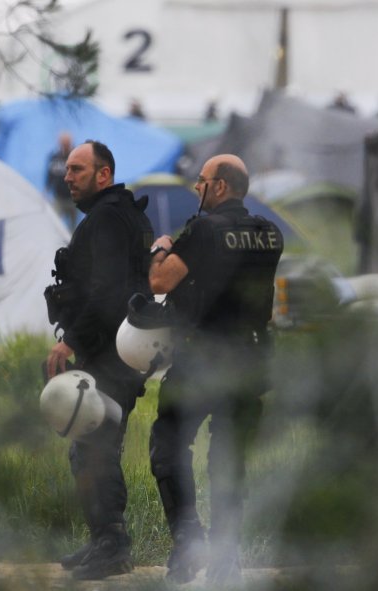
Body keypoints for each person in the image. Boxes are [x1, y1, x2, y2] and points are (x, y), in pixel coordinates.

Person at [146, 154, 283, 585]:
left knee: (168, 445)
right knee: (229, 461)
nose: (198, 190)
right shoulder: (269, 234)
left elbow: (161, 281)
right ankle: (226, 560)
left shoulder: (206, 229)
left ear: (220, 187)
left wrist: (161, 248)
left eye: (201, 182)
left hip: (202, 359)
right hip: (250, 361)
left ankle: (188, 543)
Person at [44, 140, 153, 580]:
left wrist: (69, 341)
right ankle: (101, 540)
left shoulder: (108, 217)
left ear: (103, 174)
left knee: (97, 447)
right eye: (67, 170)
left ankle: (112, 545)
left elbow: (108, 291)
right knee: (87, 447)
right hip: (118, 351)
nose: (67, 177)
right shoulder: (123, 213)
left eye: (77, 170)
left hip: (109, 356)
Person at [45, 131, 77, 229]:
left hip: (74, 198)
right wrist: (46, 189)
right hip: (58, 197)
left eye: (66, 143)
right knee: (55, 225)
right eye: (63, 143)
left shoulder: (77, 157)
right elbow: (50, 174)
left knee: (73, 227)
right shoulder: (54, 157)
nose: (64, 145)